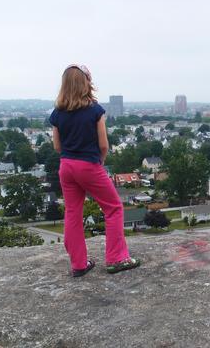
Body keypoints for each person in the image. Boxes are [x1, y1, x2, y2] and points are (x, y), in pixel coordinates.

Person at [50, 64, 140, 276]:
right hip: (88, 165)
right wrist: (97, 162)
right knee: (114, 208)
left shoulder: (57, 113)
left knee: (72, 213)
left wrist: (71, 157)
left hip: (66, 166)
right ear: (85, 83)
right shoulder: (95, 110)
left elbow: (56, 146)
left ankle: (79, 265)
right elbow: (103, 145)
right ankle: (116, 259)